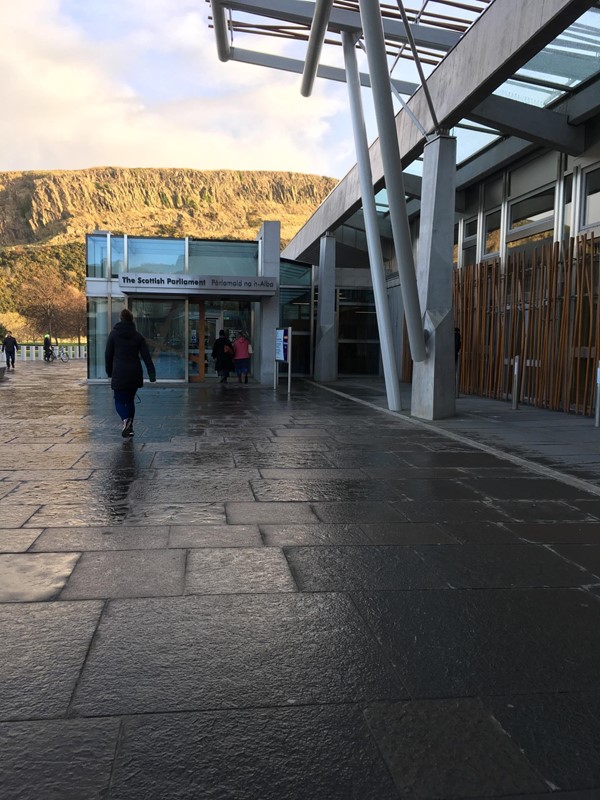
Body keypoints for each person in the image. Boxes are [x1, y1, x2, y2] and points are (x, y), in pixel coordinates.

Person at [105, 308, 156, 438]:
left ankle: (125, 420)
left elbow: (108, 355)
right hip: (134, 373)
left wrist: (109, 372)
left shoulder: (114, 334)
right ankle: (130, 427)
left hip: (120, 373)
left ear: (120, 319)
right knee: (130, 400)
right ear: (132, 319)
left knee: (119, 400)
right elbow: (146, 356)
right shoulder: (138, 336)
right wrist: (151, 373)